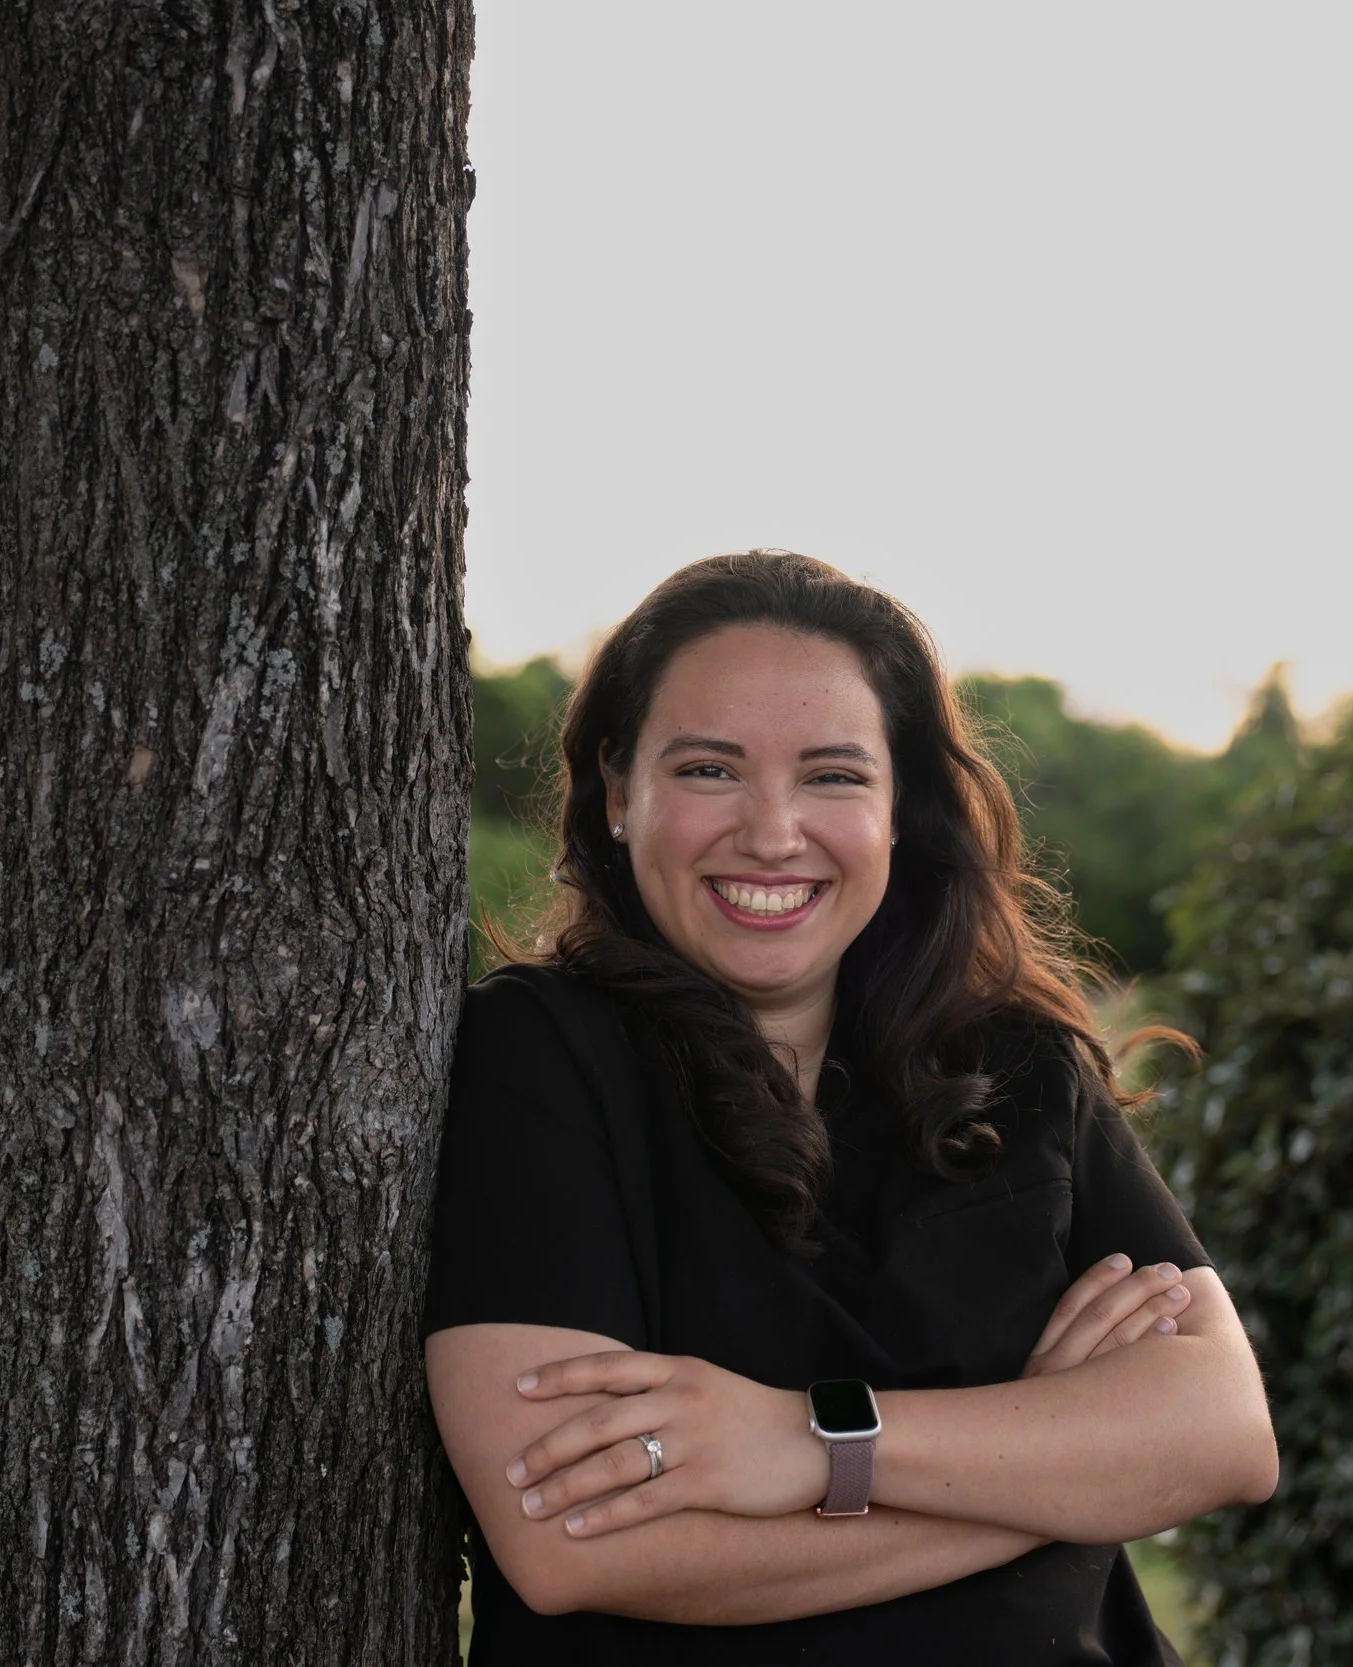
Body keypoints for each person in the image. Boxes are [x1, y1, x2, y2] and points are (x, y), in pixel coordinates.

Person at [424, 550, 1278, 1664]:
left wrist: (805, 1441)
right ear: (616, 792)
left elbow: (1220, 1435)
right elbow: (571, 1544)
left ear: (899, 810)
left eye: (832, 775)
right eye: (708, 770)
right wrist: (1055, 1468)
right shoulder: (539, 1054)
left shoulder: (1017, 1062)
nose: (773, 832)